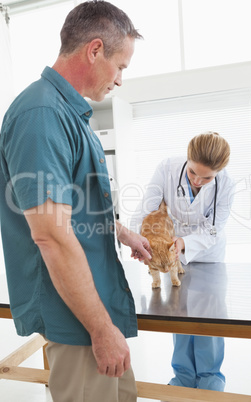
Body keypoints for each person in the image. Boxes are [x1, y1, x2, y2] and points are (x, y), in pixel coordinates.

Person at [0, 2, 152, 401]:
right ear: (95, 50)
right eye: (121, 67)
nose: (120, 81)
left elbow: (74, 205)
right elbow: (50, 235)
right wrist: (101, 330)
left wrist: (121, 232)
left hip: (96, 310)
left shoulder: (68, 114)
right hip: (79, 320)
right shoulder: (41, 115)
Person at [132, 131, 235, 391]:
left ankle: (210, 379)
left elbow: (215, 229)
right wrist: (139, 240)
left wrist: (185, 243)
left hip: (207, 255)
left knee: (208, 317)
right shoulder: (167, 168)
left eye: (207, 177)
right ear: (187, 159)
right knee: (180, 313)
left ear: (219, 172)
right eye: (192, 173)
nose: (198, 181)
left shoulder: (226, 185)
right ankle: (183, 377)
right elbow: (147, 209)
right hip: (169, 253)